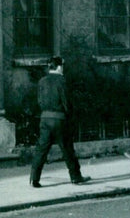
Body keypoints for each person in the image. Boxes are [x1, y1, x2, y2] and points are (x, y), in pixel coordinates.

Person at [29, 56, 91, 188]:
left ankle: (34, 179)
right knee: (68, 149)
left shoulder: (42, 81)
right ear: (59, 67)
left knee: (41, 149)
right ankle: (75, 177)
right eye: (62, 66)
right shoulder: (62, 81)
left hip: (45, 118)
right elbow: (67, 102)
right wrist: (70, 116)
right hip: (60, 119)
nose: (63, 68)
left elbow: (39, 101)